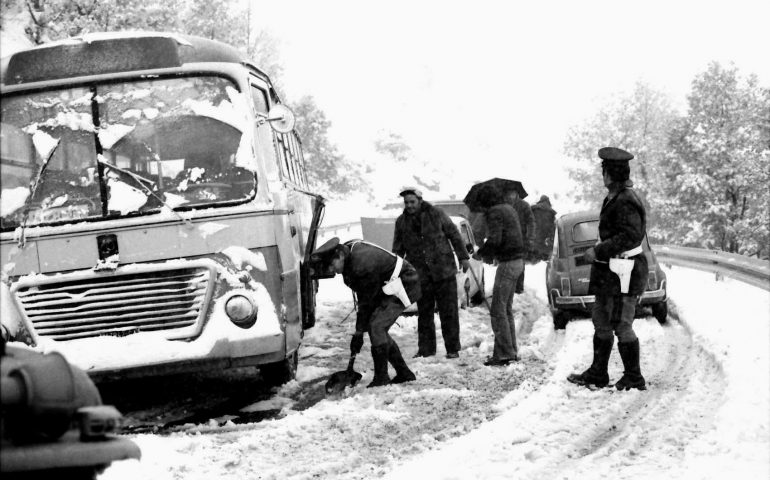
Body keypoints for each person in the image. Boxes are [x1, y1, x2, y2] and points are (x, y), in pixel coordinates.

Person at [567, 146, 649, 391]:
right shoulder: (614, 197)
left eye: (604, 171)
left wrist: (599, 251)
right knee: (601, 320)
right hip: (611, 273)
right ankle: (598, 373)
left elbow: (631, 237)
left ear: (611, 174)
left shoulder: (626, 200)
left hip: (625, 271)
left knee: (622, 324)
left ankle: (634, 376)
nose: (602, 176)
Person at [311, 237, 421, 387]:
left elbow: (367, 302)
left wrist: (358, 333)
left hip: (404, 283)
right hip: (387, 287)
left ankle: (381, 377)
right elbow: (365, 297)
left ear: (340, 256)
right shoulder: (349, 257)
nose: (332, 270)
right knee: (375, 327)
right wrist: (359, 331)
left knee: (377, 326)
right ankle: (404, 373)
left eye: (332, 264)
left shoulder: (361, 264)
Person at [392, 187, 470, 359]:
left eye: (412, 202)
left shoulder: (437, 214)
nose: (409, 206)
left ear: (420, 200)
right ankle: (426, 350)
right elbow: (398, 249)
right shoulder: (401, 222)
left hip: (444, 271)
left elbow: (454, 235)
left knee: (448, 312)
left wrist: (464, 257)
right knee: (424, 313)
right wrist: (395, 271)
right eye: (406, 203)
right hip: (420, 275)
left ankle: (452, 348)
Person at [473, 184, 525, 366]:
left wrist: (481, 252)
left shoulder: (494, 212)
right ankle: (510, 350)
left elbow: (496, 239)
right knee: (506, 309)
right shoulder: (509, 209)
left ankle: (504, 354)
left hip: (508, 263)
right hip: (518, 261)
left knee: (497, 310)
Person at [503, 187, 535, 294]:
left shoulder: (524, 205)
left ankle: (518, 288)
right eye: (508, 193)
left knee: (519, 264)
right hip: (507, 240)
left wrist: (530, 237)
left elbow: (531, 222)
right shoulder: (503, 205)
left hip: (521, 240)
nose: (510, 195)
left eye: (512, 192)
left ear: (517, 193)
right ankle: (508, 287)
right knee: (506, 264)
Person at [530, 195, 557, 261]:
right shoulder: (551, 212)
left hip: (534, 233)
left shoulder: (533, 209)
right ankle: (544, 256)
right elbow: (553, 227)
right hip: (545, 235)